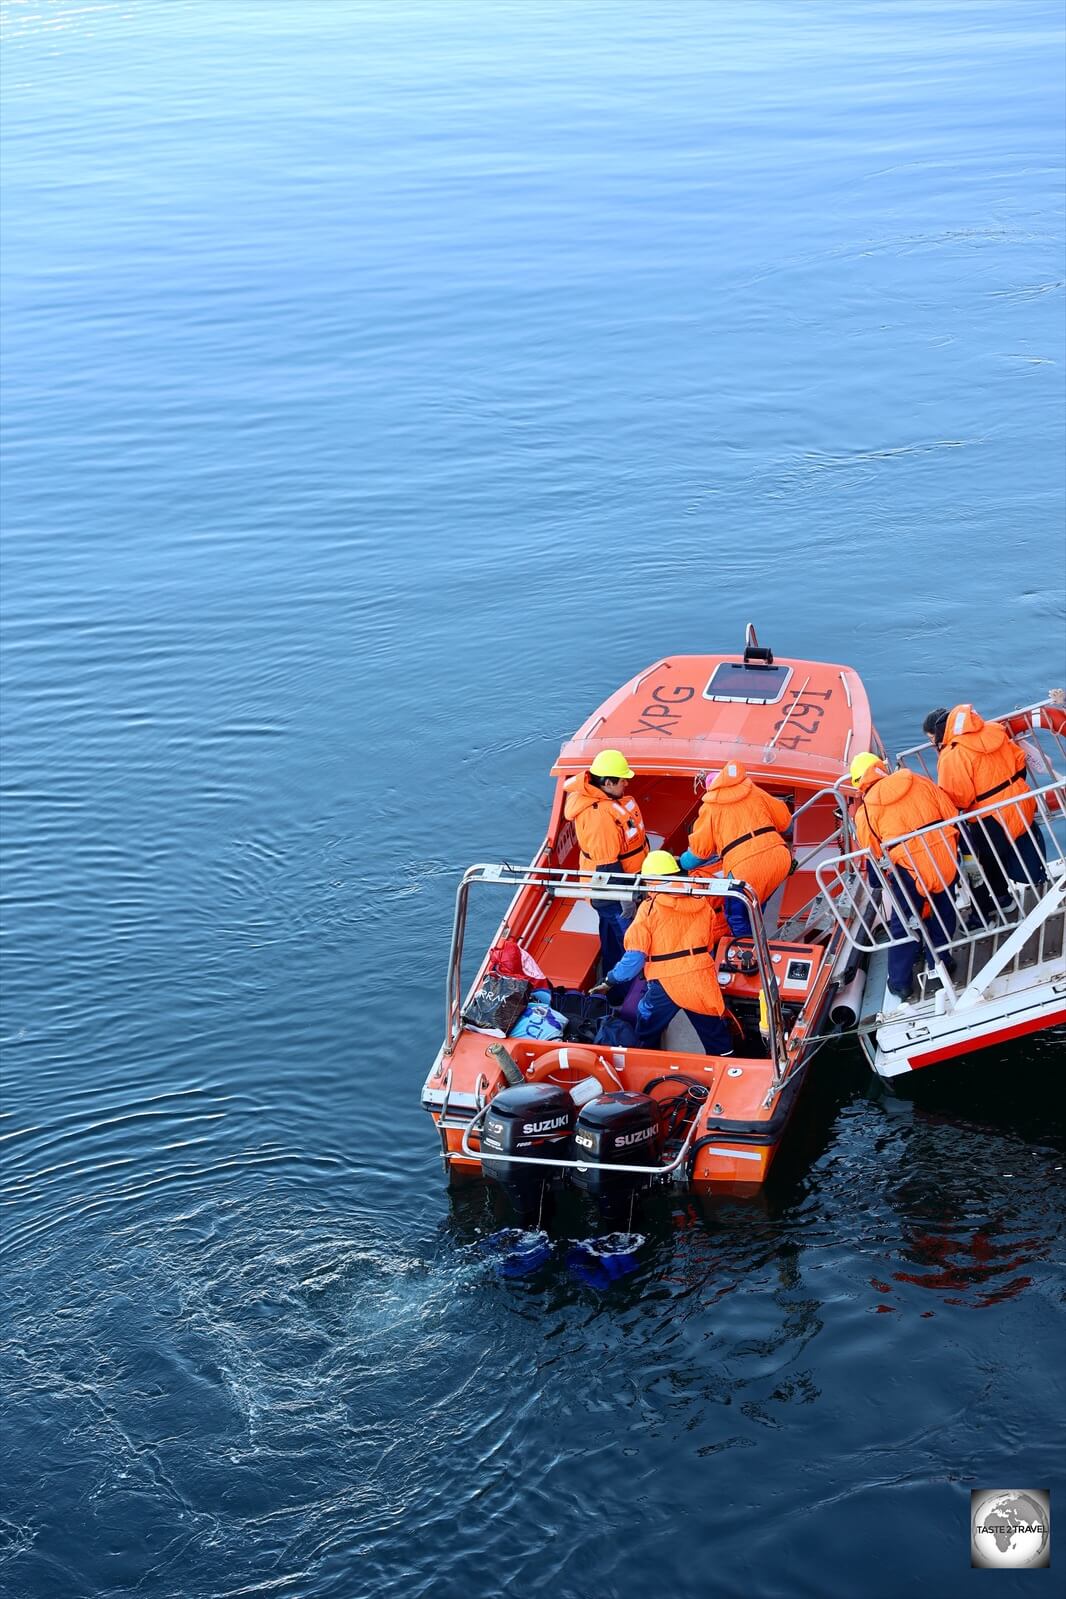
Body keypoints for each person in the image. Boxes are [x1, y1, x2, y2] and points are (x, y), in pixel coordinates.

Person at [590, 851, 733, 1054]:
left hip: (666, 983)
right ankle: (730, 1067)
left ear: (651, 880)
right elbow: (709, 941)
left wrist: (610, 980)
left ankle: (647, 1062)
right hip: (701, 977)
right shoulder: (701, 900)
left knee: (645, 1029)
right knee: (715, 1036)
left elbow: (634, 958)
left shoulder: (649, 909)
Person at [850, 752, 959, 1003]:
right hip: (943, 855)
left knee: (904, 923)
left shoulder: (866, 810)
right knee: (944, 912)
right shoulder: (918, 780)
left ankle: (900, 983)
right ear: (881, 768)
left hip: (910, 867)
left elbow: (872, 851)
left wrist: (878, 882)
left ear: (860, 783)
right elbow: (949, 811)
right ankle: (940, 962)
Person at [923, 703, 1047, 905]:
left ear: (939, 733)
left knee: (988, 860)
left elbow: (959, 798)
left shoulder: (952, 754)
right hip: (1020, 802)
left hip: (990, 817)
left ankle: (1003, 900)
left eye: (932, 739)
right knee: (1026, 839)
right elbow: (1019, 760)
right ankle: (1039, 880)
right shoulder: (994, 730)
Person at [679, 760, 792, 938]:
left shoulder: (711, 807)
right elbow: (786, 822)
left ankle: (749, 956)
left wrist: (682, 861)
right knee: (756, 903)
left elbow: (699, 854)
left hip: (745, 869)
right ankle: (758, 938)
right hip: (780, 858)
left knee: (735, 916)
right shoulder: (753, 791)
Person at [563, 749, 648, 973]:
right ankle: (624, 988)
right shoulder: (599, 816)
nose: (626, 785)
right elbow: (608, 868)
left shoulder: (602, 803)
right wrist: (626, 901)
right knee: (629, 942)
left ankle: (611, 973)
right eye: (622, 780)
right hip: (612, 892)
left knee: (611, 934)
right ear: (608, 783)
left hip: (614, 887)